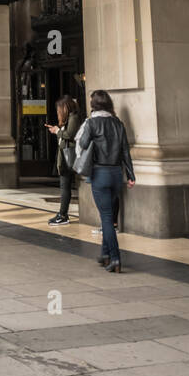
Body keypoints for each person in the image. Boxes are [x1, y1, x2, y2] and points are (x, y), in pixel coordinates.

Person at [74, 89, 136, 273]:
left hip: (100, 173)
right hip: (116, 173)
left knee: (107, 218)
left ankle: (116, 258)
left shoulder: (92, 123)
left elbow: (83, 145)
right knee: (108, 215)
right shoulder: (118, 123)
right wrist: (131, 175)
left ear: (94, 105)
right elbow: (125, 151)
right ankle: (105, 254)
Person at [46, 96, 81, 226]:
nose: (58, 111)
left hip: (69, 156)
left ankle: (63, 215)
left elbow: (70, 134)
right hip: (65, 156)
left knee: (65, 186)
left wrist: (57, 131)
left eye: (59, 109)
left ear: (65, 108)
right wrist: (58, 130)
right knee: (64, 186)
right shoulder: (71, 118)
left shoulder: (74, 117)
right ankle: (62, 214)